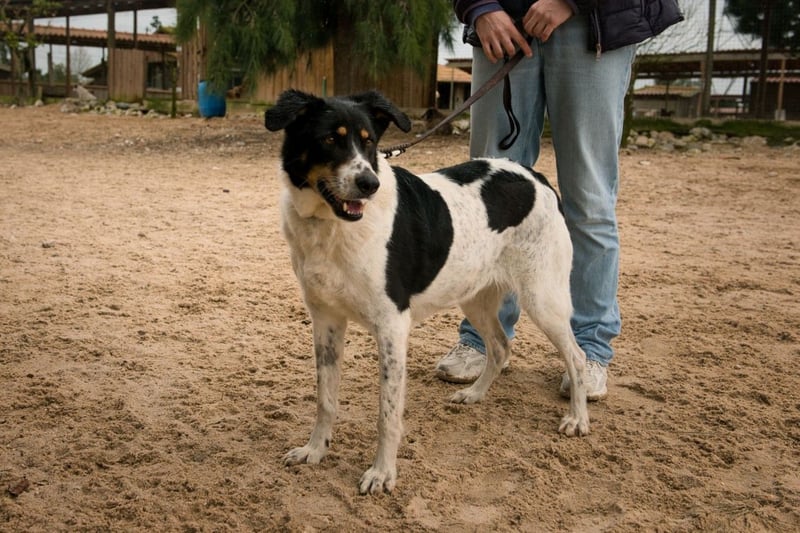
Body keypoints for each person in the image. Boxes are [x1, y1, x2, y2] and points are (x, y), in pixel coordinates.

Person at [436, 0, 683, 399]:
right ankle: (484, 338)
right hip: (502, 22)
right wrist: (479, 7)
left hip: (595, 22)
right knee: (488, 196)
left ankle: (589, 348)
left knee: (589, 199)